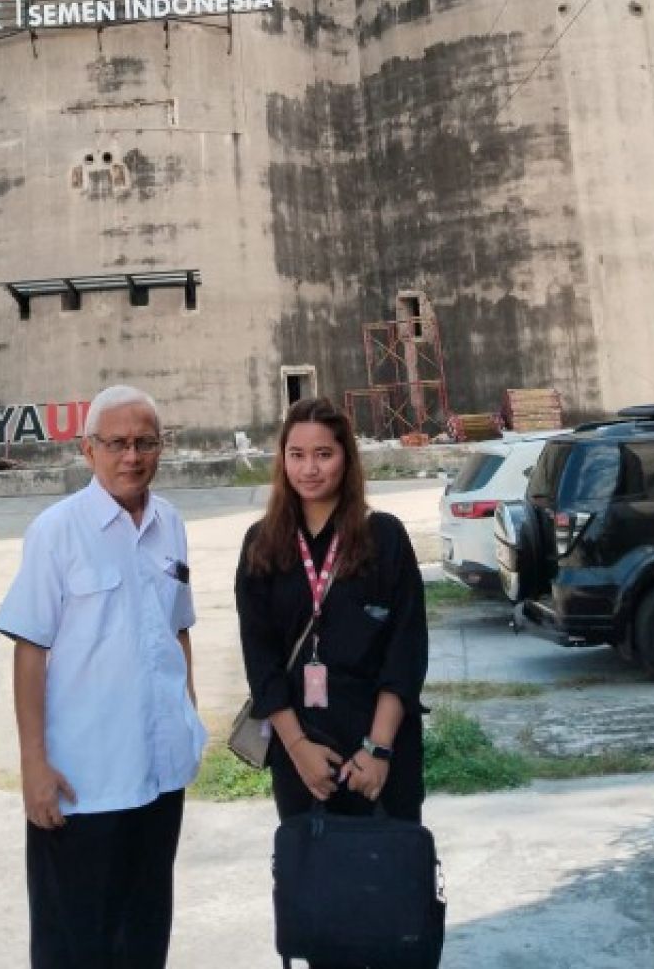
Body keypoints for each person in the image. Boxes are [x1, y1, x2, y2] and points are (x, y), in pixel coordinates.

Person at [0, 383, 207, 969]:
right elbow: (30, 649)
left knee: (143, 940)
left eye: (145, 443)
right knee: (75, 947)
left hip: (159, 779)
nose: (131, 457)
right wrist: (33, 763)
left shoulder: (170, 524)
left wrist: (188, 718)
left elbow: (178, 628)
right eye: (116, 443)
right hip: (82, 786)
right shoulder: (57, 531)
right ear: (89, 451)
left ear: (162, 448)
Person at [234, 397, 428, 969]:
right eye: (297, 454)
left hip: (382, 755)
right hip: (304, 757)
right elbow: (261, 661)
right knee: (322, 908)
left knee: (386, 902)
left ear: (346, 458)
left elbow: (406, 650)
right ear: (282, 461)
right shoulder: (261, 544)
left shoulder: (384, 537)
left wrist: (379, 748)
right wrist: (296, 749)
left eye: (323, 453)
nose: (310, 468)